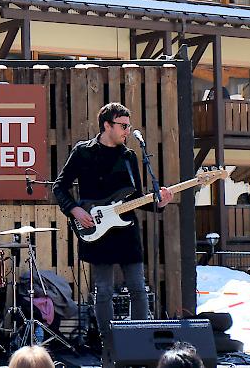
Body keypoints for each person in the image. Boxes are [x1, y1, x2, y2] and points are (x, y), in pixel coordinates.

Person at [52, 103, 173, 363]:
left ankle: (141, 342)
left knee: (138, 289)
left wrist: (159, 202)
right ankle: (109, 345)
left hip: (126, 230)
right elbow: (59, 187)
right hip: (96, 227)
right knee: (104, 290)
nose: (128, 130)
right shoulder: (83, 152)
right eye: (123, 125)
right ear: (107, 125)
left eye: (129, 125)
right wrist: (74, 210)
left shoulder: (129, 156)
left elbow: (138, 197)